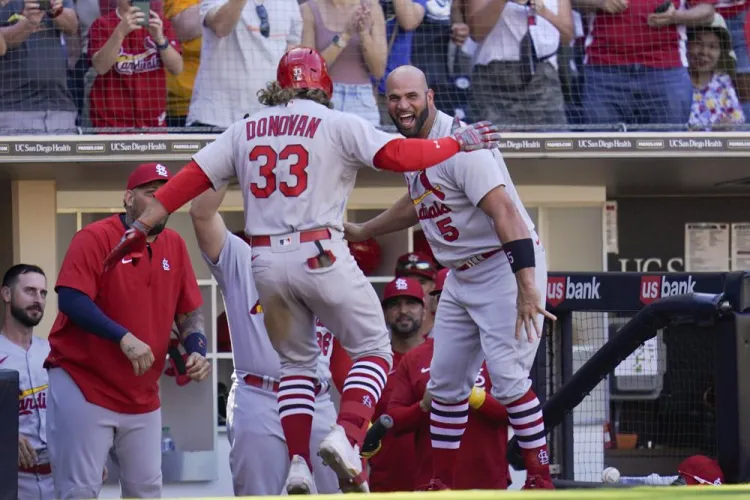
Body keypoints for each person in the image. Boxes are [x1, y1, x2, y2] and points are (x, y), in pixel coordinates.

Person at [101, 46, 502, 493]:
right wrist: (455, 142)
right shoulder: (337, 122)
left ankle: (298, 462)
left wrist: (142, 223)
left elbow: (189, 180)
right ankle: (347, 437)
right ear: (323, 84)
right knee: (374, 346)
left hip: (266, 260)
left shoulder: (246, 127)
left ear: (278, 83)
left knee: (296, 365)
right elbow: (400, 157)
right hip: (320, 251)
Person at [344, 64, 556, 490]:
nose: (403, 105)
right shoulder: (419, 145)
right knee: (445, 384)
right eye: (394, 98)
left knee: (510, 378)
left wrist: (527, 285)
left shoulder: (463, 146)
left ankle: (539, 477)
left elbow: (506, 214)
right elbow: (417, 201)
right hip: (460, 274)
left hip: (501, 264)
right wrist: (367, 230)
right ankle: (441, 481)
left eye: (411, 96)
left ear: (431, 96)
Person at [45, 162, 210, 499]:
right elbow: (72, 299)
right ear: (128, 198)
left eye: (165, 195)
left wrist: (197, 348)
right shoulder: (96, 236)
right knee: (79, 491)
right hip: (84, 379)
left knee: (146, 490)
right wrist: (123, 336)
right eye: (151, 194)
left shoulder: (175, 245)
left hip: (141, 392)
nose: (159, 201)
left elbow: (189, 310)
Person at [188, 184, 343, 495]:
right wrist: (231, 164)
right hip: (260, 396)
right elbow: (201, 213)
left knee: (335, 493)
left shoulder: (332, 263)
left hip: (318, 400)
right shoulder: (242, 258)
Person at [387, 267, 511, 490]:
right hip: (433, 484)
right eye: (445, 296)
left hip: (487, 482)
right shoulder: (415, 358)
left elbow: (515, 411)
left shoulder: (497, 350)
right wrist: (423, 406)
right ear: (433, 304)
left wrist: (473, 395)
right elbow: (394, 420)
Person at [368, 276, 427, 492]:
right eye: (394, 304)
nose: (403, 310)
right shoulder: (373, 362)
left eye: (410, 303)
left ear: (424, 309)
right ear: (384, 313)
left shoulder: (441, 357)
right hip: (386, 482)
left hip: (435, 481)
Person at [1, 265, 52, 499]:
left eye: (43, 293)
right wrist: (5, 432)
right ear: (7, 294)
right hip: (12, 480)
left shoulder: (54, 352)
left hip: (56, 478)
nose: (38, 299)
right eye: (30, 291)